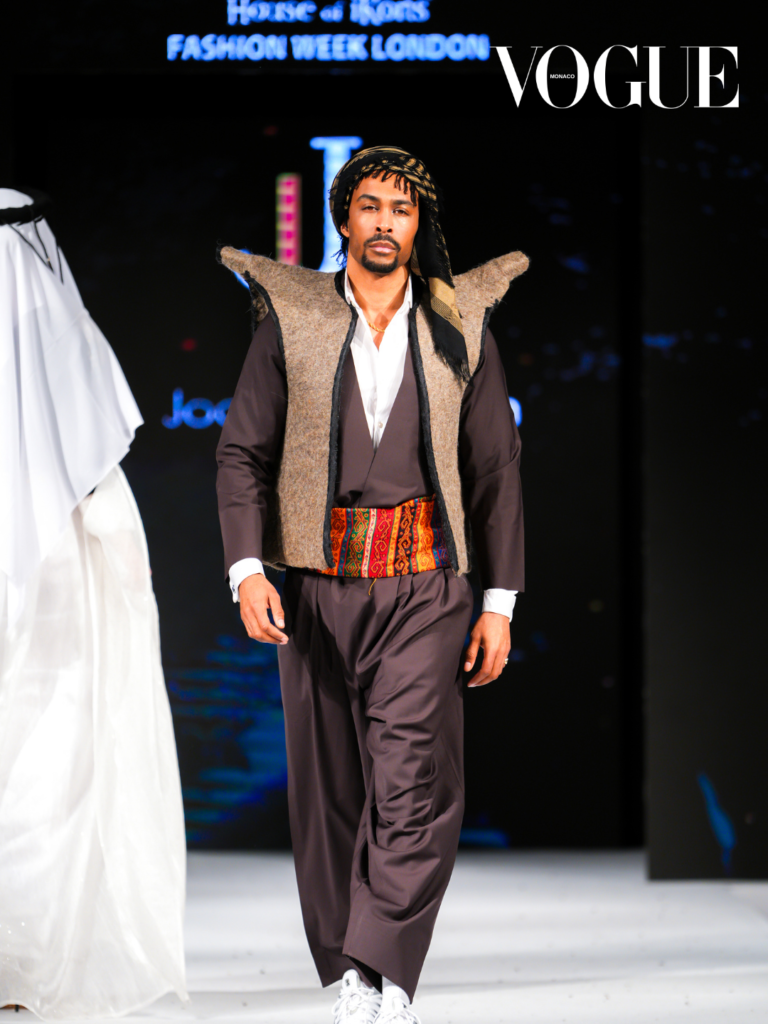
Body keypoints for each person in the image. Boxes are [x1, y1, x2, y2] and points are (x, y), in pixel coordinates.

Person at [216, 145, 527, 1024]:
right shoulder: (297, 320)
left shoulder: (459, 323)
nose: (386, 222)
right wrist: (246, 569)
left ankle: (386, 970)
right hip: (317, 590)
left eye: (402, 208)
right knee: (329, 791)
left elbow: (496, 469)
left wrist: (499, 603)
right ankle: (351, 967)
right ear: (343, 217)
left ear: (418, 223)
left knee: (413, 780)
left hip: (426, 586)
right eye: (370, 206)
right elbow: (242, 452)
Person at [0, 188, 188, 1019]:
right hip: (58, 589)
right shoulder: (61, 331)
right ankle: (23, 968)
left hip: (49, 592)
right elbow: (99, 486)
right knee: (48, 773)